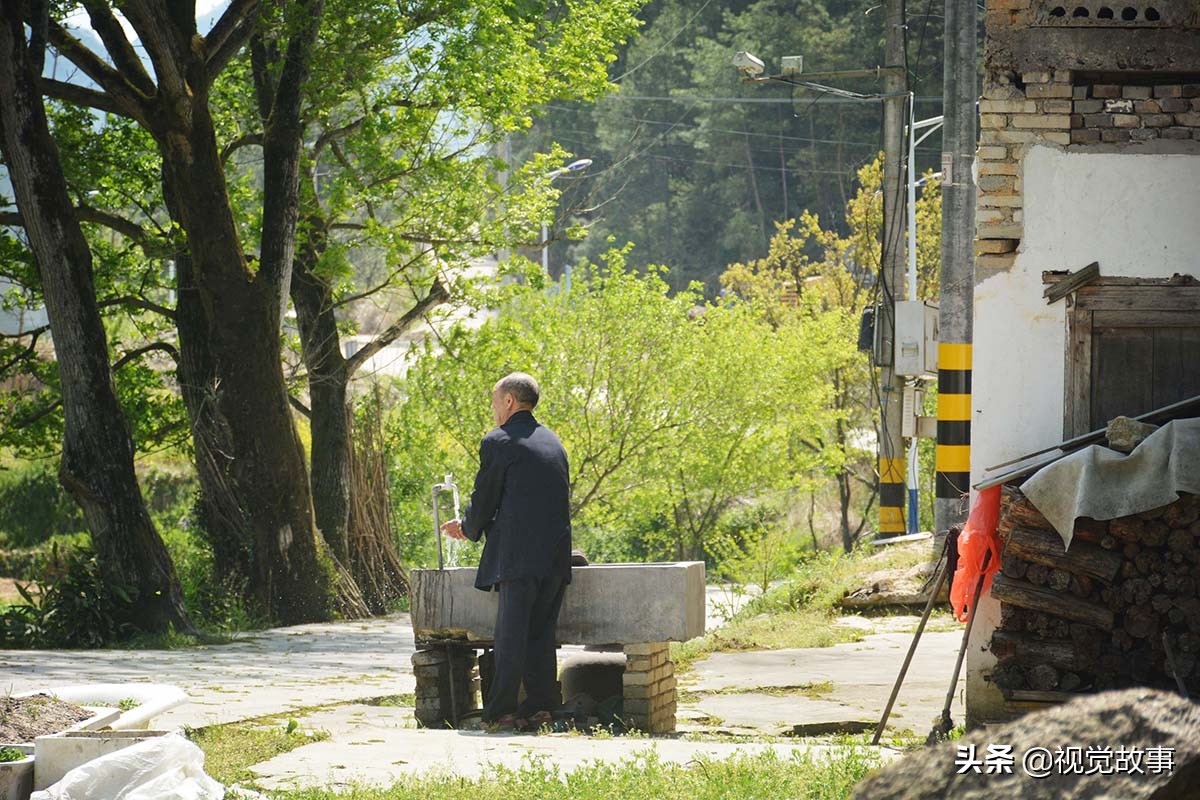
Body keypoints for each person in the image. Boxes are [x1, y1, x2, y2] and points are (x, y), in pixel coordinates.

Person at [440, 372, 572, 730]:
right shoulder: (554, 442)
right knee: (541, 636)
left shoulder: (499, 441)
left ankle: (501, 712)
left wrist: (467, 528)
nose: (494, 409)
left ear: (510, 402)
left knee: (510, 636)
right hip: (556, 556)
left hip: (519, 557)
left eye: (496, 402)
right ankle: (542, 706)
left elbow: (485, 497)